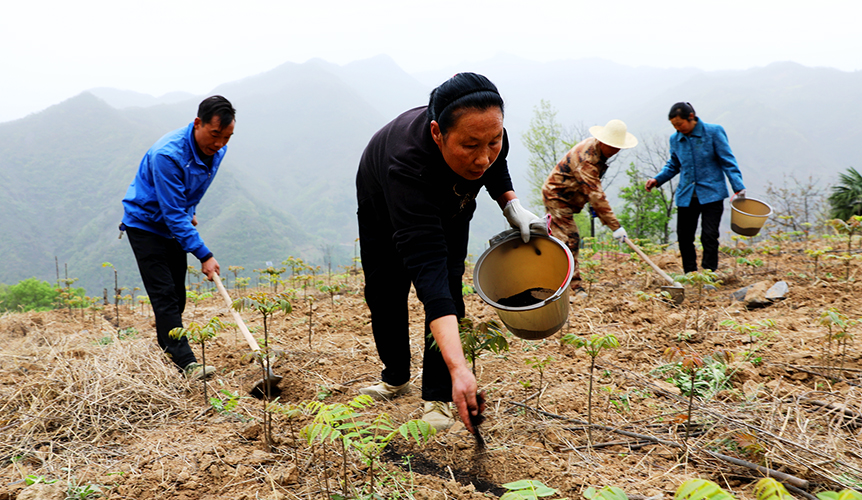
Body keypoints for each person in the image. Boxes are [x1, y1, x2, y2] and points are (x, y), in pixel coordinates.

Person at [355, 73, 539, 433]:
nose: (483, 156)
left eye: (494, 140)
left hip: (453, 201)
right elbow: (429, 274)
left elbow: (495, 165)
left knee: (451, 287)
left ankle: (436, 396)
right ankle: (396, 377)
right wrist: (461, 368)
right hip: (385, 205)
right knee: (386, 291)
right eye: (471, 145)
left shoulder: (485, 132)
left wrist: (510, 204)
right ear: (438, 133)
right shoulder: (405, 164)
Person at [120, 96, 236, 379]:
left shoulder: (216, 152)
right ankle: (187, 364)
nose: (220, 143)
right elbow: (172, 214)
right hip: (146, 226)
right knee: (165, 295)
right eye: (215, 135)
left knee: (178, 294)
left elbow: (190, 191)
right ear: (198, 124)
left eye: (227, 137)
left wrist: (190, 209)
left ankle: (167, 351)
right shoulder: (168, 155)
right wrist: (204, 255)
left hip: (175, 223)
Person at [645, 102, 746, 273]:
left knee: (709, 236)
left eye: (680, 124)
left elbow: (727, 160)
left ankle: (708, 273)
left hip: (712, 193)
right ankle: (690, 273)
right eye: (674, 125)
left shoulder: (713, 132)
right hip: (686, 194)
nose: (678, 128)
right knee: (684, 237)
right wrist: (657, 179)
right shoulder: (675, 139)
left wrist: (738, 186)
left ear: (691, 117)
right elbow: (674, 164)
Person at [542, 119, 638, 296]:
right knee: (570, 239)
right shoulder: (587, 159)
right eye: (614, 146)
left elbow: (591, 189)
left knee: (564, 238)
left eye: (619, 146)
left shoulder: (599, 153)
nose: (617, 150)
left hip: (571, 196)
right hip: (557, 196)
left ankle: (552, 272)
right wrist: (615, 227)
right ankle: (573, 287)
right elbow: (596, 195)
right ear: (603, 142)